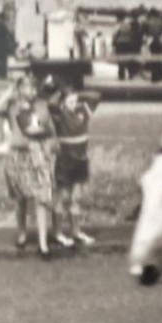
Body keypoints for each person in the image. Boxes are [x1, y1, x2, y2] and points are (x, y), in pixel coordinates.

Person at [0, 73, 58, 258]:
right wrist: (10, 90)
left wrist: (49, 147)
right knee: (20, 198)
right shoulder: (12, 107)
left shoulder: (42, 106)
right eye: (28, 87)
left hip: (37, 155)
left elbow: (51, 130)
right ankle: (22, 233)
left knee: (42, 198)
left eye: (34, 88)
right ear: (20, 90)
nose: (33, 91)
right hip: (17, 155)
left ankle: (43, 244)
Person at [46, 80, 103, 248]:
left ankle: (76, 232)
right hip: (65, 161)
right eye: (70, 101)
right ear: (63, 103)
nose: (74, 104)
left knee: (76, 198)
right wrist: (60, 91)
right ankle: (58, 233)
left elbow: (97, 96)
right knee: (63, 198)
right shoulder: (59, 114)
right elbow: (51, 103)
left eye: (75, 101)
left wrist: (77, 93)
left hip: (81, 159)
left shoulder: (82, 110)